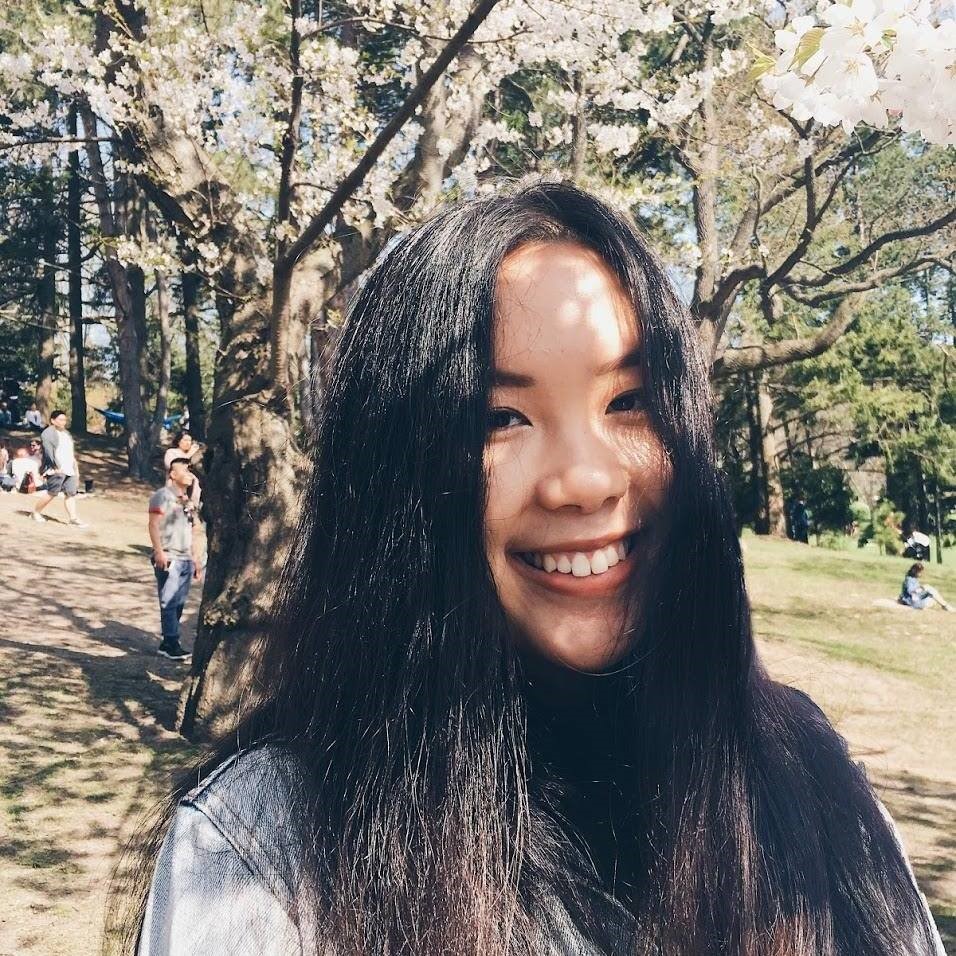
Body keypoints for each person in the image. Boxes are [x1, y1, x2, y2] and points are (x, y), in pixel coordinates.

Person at [124, 184, 943, 956]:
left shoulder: (805, 767)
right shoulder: (262, 851)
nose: (587, 479)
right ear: (391, 481)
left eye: (630, 402)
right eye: (499, 417)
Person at [147, 457, 204, 660]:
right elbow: (153, 524)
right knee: (168, 601)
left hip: (186, 558)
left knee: (179, 602)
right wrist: (159, 552)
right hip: (170, 555)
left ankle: (167, 641)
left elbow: (194, 530)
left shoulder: (187, 501)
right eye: (185, 471)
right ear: (172, 474)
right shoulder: (162, 496)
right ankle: (171, 641)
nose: (189, 475)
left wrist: (196, 559)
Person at [32, 410, 87, 527]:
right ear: (53, 420)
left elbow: (70, 452)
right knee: (52, 493)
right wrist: (55, 466)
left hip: (69, 468)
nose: (63, 422)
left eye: (65, 420)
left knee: (70, 493)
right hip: (57, 468)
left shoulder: (66, 434)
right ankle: (36, 512)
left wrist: (75, 468)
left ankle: (73, 518)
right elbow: (48, 452)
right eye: (61, 420)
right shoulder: (47, 433)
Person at [163, 431, 202, 508]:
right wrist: (189, 455)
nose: (187, 443)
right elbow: (174, 465)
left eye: (189, 441)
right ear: (178, 441)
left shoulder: (194, 456)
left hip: (190, 492)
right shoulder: (171, 452)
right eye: (185, 440)